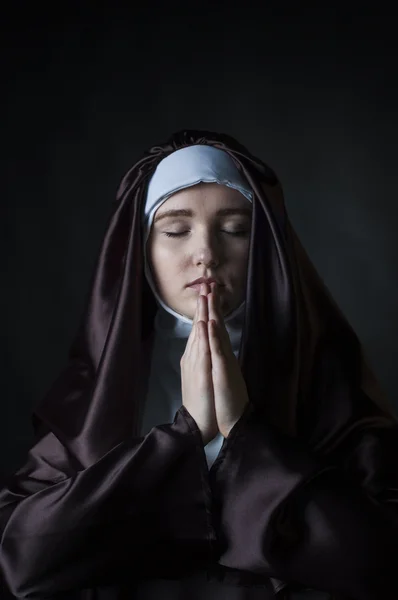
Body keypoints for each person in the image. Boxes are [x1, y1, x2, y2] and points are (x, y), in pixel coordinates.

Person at [1, 130, 398, 600]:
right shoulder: (96, 391)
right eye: (175, 230)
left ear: (268, 247)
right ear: (141, 250)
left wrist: (240, 430)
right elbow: (20, 561)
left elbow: (383, 561)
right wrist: (182, 438)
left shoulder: (327, 378)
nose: (206, 253)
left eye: (235, 229)